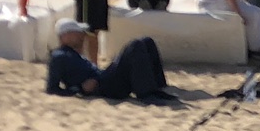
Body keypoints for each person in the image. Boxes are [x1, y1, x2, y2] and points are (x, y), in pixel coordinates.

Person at [45, 19, 175, 102]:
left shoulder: (74, 53)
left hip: (104, 78)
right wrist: (79, 89)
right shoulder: (59, 56)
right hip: (103, 87)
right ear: (66, 36)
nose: (82, 35)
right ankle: (146, 94)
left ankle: (157, 86)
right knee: (135, 45)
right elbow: (52, 88)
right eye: (77, 32)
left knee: (147, 41)